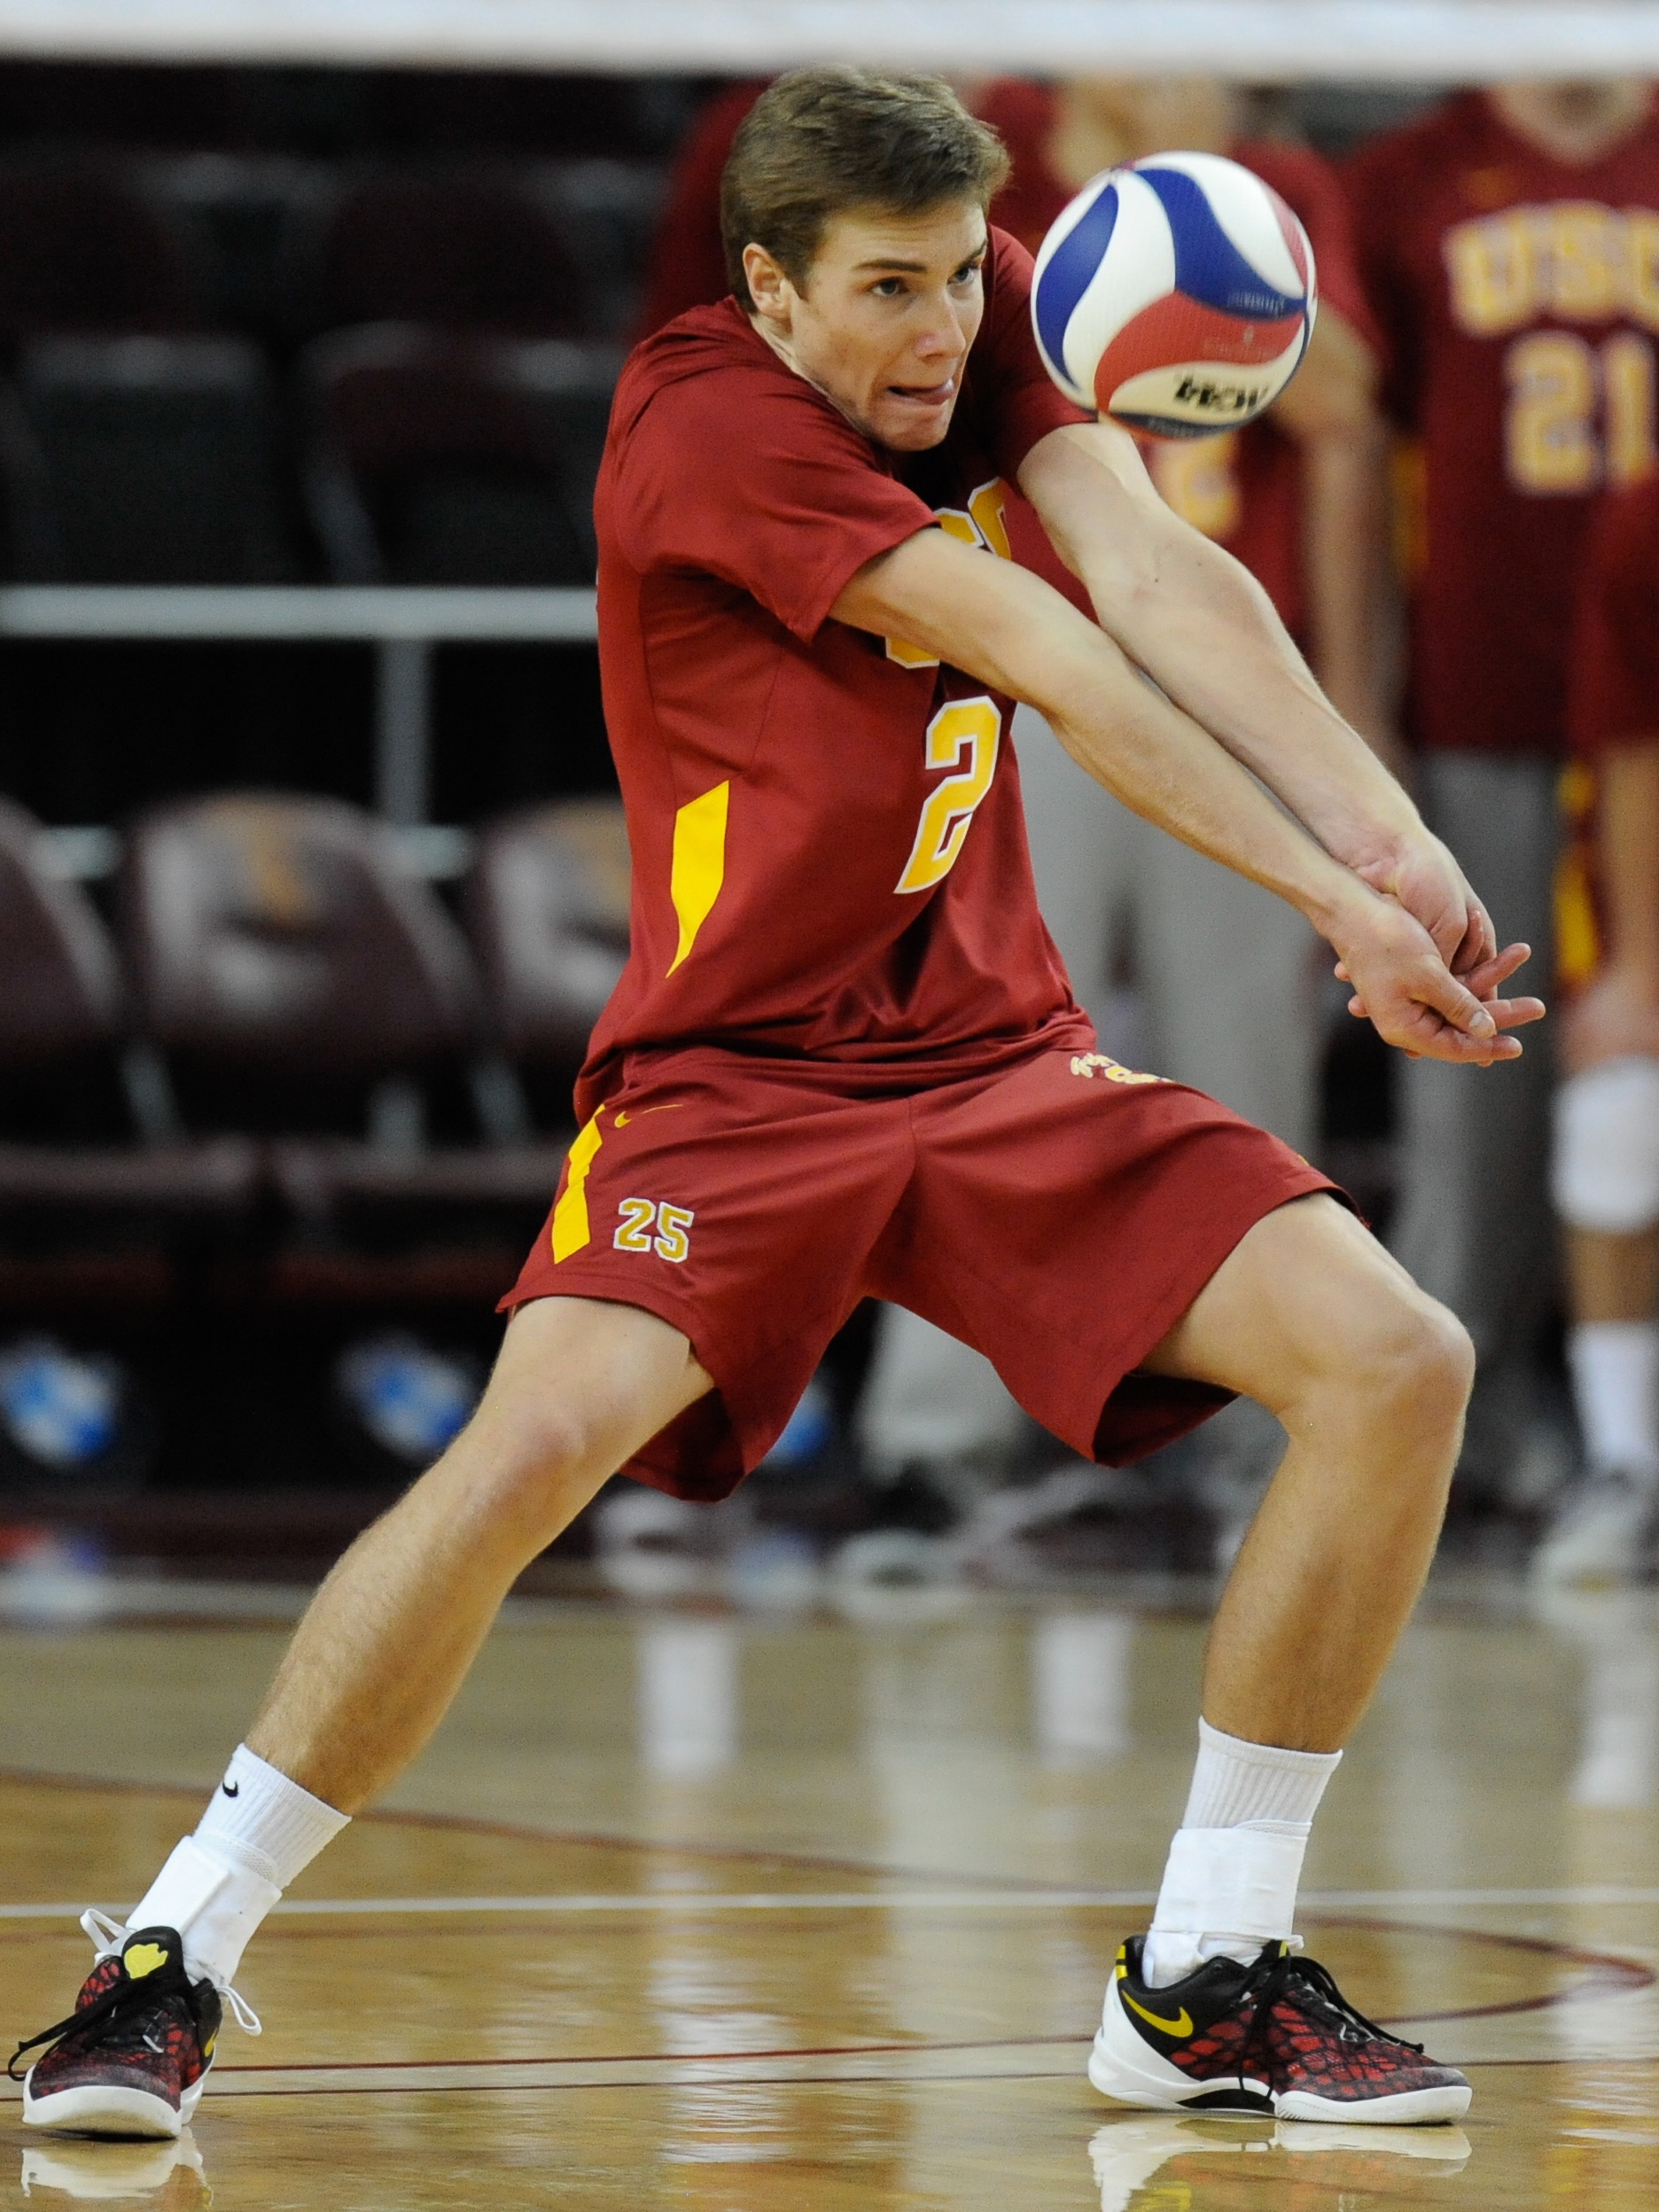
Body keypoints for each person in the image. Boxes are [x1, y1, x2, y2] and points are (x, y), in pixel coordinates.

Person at [12, 68, 1538, 2139]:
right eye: (888, 293)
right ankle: (169, 1952)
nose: (942, 331)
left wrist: (1395, 843)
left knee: (1393, 1357)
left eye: (955, 283)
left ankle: (1203, 1965)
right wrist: (1331, 905)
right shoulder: (704, 423)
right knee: (522, 1456)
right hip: (735, 1081)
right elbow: (1063, 660)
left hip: (993, 1047)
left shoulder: (982, 306)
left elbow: (1166, 578)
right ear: (769, 290)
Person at [861, 75, 1395, 1515]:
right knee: (974, 1063)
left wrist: (1188, 201)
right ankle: (933, 1444)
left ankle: (1250, 1444)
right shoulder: (979, 159)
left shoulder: (1271, 174)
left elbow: (1341, 407)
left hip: (1222, 691)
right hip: (1015, 674)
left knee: (1245, 1067)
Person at [1347, 78, 1659, 1505]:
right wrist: (1366, 702)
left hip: (1649, 687)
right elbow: (1352, 447)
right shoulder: (1414, 168)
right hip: (1488, 688)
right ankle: (1461, 1425)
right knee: (1479, 1070)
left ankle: (1610, 1437)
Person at [1537, 474, 1659, 1580]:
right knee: (1618, 1119)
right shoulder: (1643, 517)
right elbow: (1631, 750)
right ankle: (1626, 1463)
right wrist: (1640, 970)